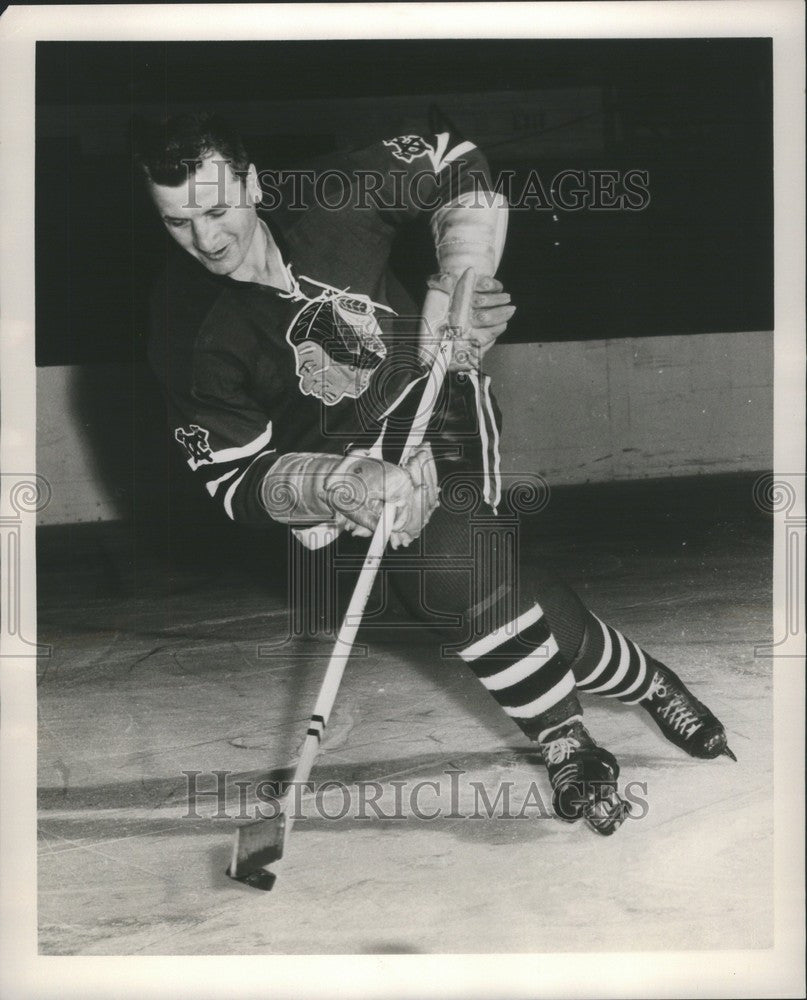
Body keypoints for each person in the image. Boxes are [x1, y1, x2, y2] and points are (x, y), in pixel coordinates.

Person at [136, 111, 734, 837]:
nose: (206, 239)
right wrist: (341, 483)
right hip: (339, 482)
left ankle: (566, 742)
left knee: (447, 568)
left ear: (253, 184)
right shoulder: (184, 331)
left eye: (216, 209)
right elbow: (237, 480)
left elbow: (455, 159)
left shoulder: (333, 199)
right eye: (177, 222)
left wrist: (459, 280)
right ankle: (650, 682)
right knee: (499, 591)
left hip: (437, 406)